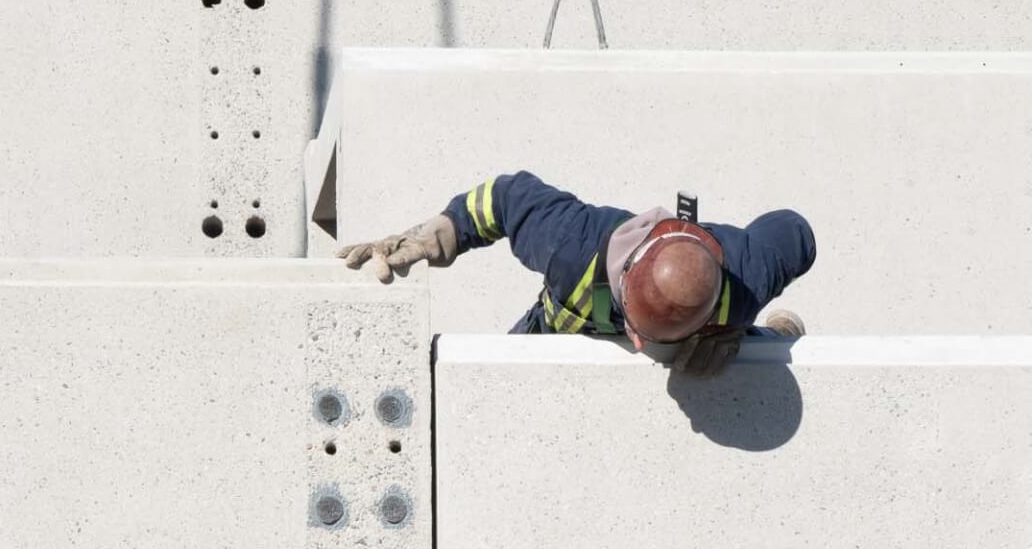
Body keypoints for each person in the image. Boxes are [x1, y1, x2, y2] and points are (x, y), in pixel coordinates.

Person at [337, 171, 815, 378]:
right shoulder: (574, 243)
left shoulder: (744, 276)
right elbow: (503, 198)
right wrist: (432, 237)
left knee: (747, 360)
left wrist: (732, 332)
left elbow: (797, 231)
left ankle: (767, 339)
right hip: (555, 330)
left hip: (699, 347)